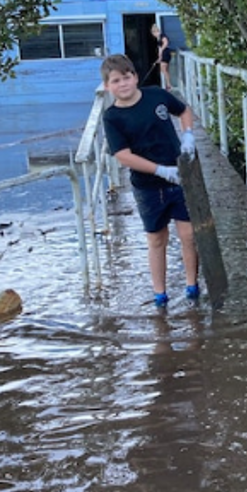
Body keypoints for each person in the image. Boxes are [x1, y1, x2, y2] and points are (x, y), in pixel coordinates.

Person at [100, 54, 199, 307]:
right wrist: (160, 171)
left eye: (126, 77)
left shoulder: (156, 95)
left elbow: (184, 110)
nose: (123, 84)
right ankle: (160, 294)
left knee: (188, 235)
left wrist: (188, 135)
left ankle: (192, 286)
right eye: (115, 81)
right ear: (107, 86)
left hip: (180, 177)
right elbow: (123, 155)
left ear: (135, 77)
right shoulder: (112, 117)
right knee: (156, 239)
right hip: (148, 186)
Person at [150, 23, 172, 91]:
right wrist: (159, 58)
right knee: (164, 70)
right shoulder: (158, 38)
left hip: (166, 53)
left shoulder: (162, 35)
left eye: (154, 33)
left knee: (164, 69)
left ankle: (169, 85)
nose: (154, 35)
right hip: (163, 54)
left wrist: (161, 50)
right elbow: (159, 48)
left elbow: (166, 43)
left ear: (156, 32)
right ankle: (168, 84)